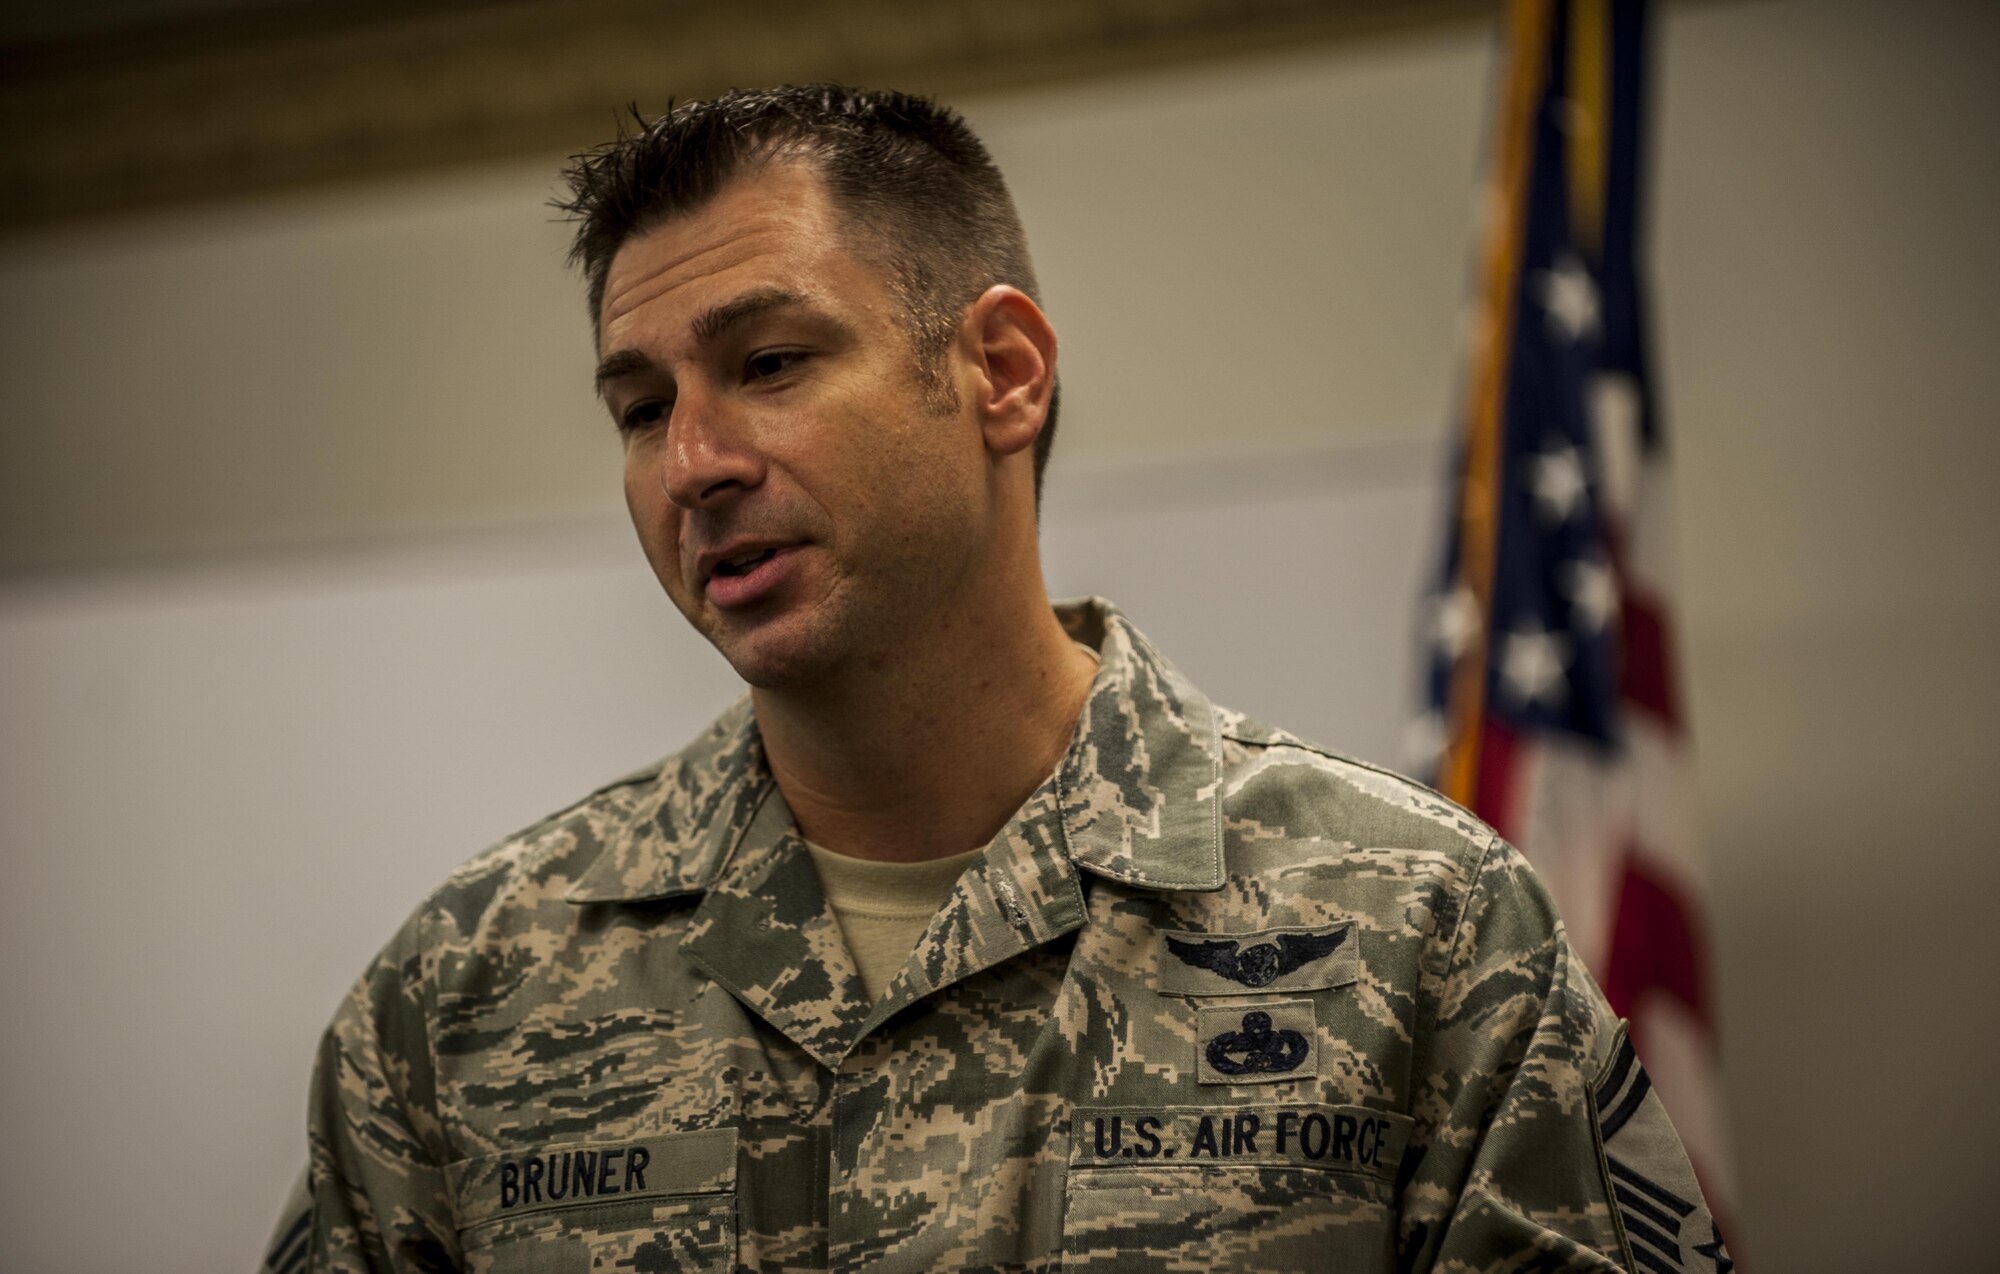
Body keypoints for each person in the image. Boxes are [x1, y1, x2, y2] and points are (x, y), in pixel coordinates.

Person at [271, 84, 1728, 1272]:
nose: (691, 464)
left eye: (769, 362)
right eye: (640, 408)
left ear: (1004, 372)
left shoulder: (1421, 936)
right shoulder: (465, 996)